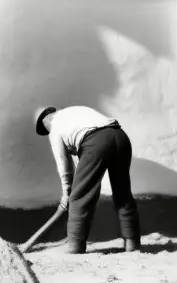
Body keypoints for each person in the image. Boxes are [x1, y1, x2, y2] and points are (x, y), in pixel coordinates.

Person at [35, 105, 141, 254]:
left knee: (79, 197)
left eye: (45, 129)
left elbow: (63, 164)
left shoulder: (55, 128)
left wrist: (67, 192)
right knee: (122, 192)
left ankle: (75, 248)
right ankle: (132, 243)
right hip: (120, 136)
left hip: (96, 143)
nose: (47, 132)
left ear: (45, 120)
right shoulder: (75, 111)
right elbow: (81, 156)